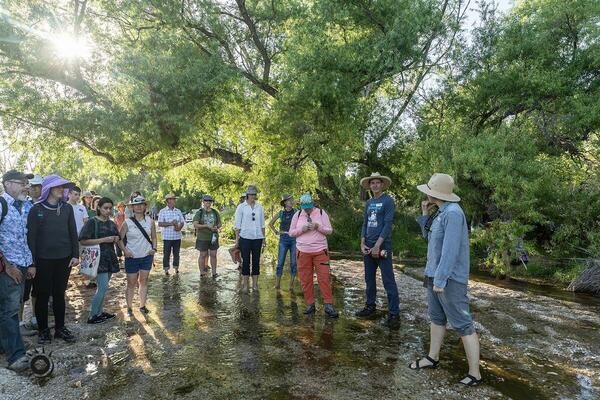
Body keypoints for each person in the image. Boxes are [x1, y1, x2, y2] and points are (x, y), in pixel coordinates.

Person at [410, 173, 482, 387]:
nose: (426, 193)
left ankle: (475, 374)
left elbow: (450, 251)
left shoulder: (453, 213)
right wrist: (425, 213)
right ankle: (432, 358)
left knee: (463, 324)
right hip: (433, 274)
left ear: (436, 193)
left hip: (449, 279)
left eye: (429, 191)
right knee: (436, 318)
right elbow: (429, 238)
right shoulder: (440, 212)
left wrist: (440, 280)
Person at [27, 175, 79, 344]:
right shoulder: (36, 209)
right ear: (48, 188)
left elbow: (73, 233)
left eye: (63, 187)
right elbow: (31, 239)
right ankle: (43, 331)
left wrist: (75, 255)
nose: (62, 190)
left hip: (64, 259)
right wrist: (32, 263)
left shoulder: (67, 209)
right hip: (43, 260)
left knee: (59, 294)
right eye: (58, 187)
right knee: (42, 295)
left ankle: (60, 328)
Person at [0, 170, 35, 371]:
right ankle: (16, 357)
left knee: (9, 309)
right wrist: (8, 265)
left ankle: (5, 348)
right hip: (8, 267)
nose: (26, 186)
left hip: (21, 265)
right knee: (10, 311)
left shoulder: (23, 207)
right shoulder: (2, 205)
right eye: (21, 182)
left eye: (26, 183)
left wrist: (29, 263)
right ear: (7, 184)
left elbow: (24, 238)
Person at [355, 172, 400, 330]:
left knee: (388, 281)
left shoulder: (388, 201)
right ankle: (370, 306)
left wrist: (378, 245)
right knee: (369, 279)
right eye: (372, 183)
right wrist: (362, 243)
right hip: (367, 247)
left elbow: (387, 225)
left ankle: (394, 314)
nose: (375, 185)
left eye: (377, 182)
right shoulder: (368, 203)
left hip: (383, 247)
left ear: (382, 184)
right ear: (370, 186)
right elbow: (364, 224)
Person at [288, 194, 338, 318]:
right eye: (305, 207)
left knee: (324, 278)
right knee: (305, 279)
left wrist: (317, 227)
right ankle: (310, 305)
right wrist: (302, 229)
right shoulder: (297, 214)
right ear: (301, 206)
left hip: (320, 251)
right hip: (302, 252)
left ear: (313, 204)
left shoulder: (321, 213)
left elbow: (329, 231)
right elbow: (291, 233)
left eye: (309, 207)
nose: (307, 210)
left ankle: (328, 305)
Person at [79, 197, 120, 324]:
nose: (108, 211)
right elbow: (82, 240)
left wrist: (116, 239)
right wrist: (104, 240)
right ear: (99, 208)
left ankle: (99, 312)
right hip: (97, 259)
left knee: (104, 288)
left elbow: (117, 237)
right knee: (102, 287)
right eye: (105, 208)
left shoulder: (112, 223)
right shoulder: (92, 222)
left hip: (110, 258)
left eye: (110, 208)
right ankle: (92, 316)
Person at [118, 196, 157, 316]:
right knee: (131, 283)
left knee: (144, 281)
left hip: (146, 256)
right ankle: (129, 308)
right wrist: (125, 251)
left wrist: (154, 249)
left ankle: (142, 306)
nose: (139, 206)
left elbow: (154, 237)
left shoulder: (150, 221)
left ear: (145, 206)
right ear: (132, 207)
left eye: (142, 204)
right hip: (132, 257)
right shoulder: (127, 222)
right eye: (136, 205)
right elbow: (119, 239)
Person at [19, 173, 43, 335]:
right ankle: (20, 323)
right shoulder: (22, 206)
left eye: (37, 186)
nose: (34, 189)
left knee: (39, 289)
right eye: (31, 186)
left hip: (43, 254)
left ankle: (35, 318)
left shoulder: (47, 205)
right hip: (26, 255)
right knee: (23, 291)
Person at [234, 185, 265, 292]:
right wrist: (237, 240)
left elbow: (262, 224)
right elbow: (237, 225)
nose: (253, 196)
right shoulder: (241, 207)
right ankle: (246, 285)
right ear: (247, 195)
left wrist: (264, 238)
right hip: (245, 238)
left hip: (258, 238)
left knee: (256, 261)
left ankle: (255, 285)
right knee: (245, 261)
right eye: (251, 194)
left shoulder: (259, 207)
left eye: (255, 194)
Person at [268, 194, 297, 291]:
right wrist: (276, 232)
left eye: (292, 200)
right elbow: (270, 224)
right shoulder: (280, 213)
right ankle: (277, 285)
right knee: (280, 263)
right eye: (290, 200)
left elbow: (302, 221)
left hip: (294, 239)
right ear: (285, 203)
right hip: (283, 239)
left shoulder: (296, 212)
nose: (292, 201)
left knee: (294, 263)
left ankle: (291, 285)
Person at [193, 195, 221, 278]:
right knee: (203, 255)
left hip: (214, 237)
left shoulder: (215, 212)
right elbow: (195, 225)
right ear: (203, 202)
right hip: (202, 237)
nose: (208, 202)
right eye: (206, 200)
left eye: (210, 201)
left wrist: (217, 227)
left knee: (213, 254)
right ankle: (202, 272)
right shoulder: (199, 212)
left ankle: (214, 272)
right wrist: (206, 226)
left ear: (211, 202)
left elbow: (219, 223)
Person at [158, 193, 185, 275]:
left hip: (177, 236)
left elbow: (182, 222)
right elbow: (160, 223)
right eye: (173, 199)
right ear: (168, 201)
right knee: (166, 254)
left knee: (176, 254)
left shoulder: (178, 211)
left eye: (174, 199)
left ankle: (176, 268)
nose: (174, 200)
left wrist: (179, 227)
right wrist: (171, 223)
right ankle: (166, 270)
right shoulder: (162, 211)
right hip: (167, 237)